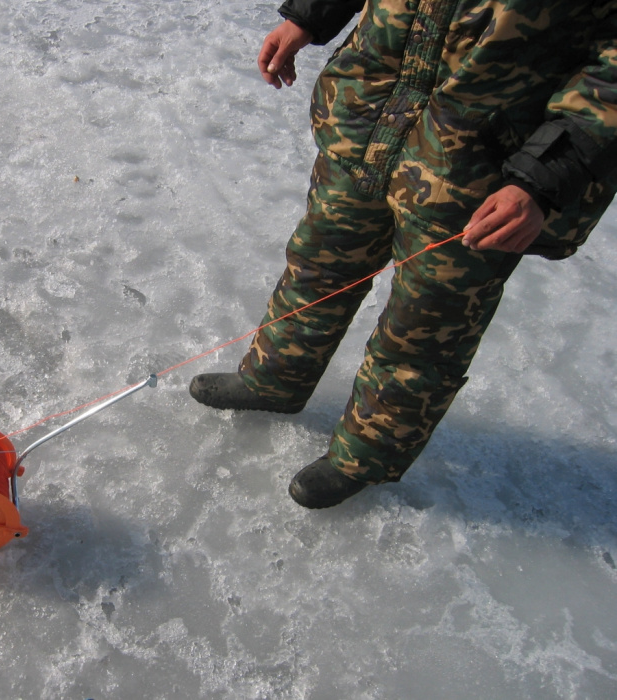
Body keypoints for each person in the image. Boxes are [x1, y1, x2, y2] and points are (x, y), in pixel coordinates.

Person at [190, 0, 617, 508]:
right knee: (318, 264)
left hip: (482, 168)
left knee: (424, 329)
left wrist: (542, 177)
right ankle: (273, 379)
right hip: (370, 115)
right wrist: (309, 15)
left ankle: (363, 458)